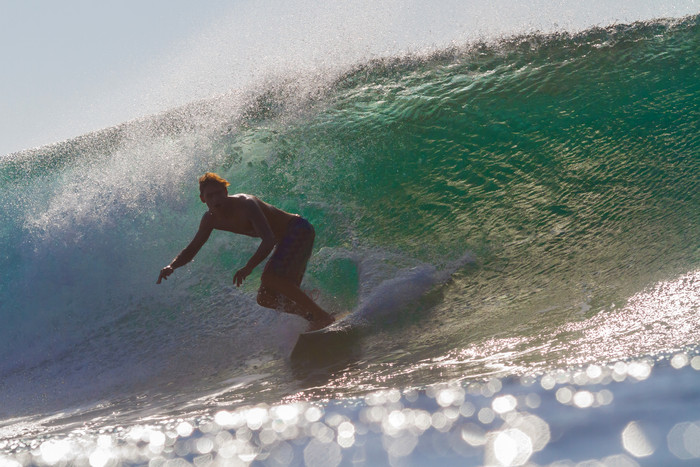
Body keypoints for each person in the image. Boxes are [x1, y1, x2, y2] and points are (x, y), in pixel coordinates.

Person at [157, 172, 335, 331]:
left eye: (219, 193)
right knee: (265, 298)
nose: (216, 199)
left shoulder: (246, 204)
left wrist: (248, 267)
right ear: (202, 199)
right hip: (284, 241)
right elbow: (192, 249)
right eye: (210, 196)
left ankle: (323, 317)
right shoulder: (210, 220)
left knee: (271, 278)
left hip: (298, 230)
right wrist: (172, 266)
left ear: (226, 193)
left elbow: (269, 240)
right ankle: (312, 315)